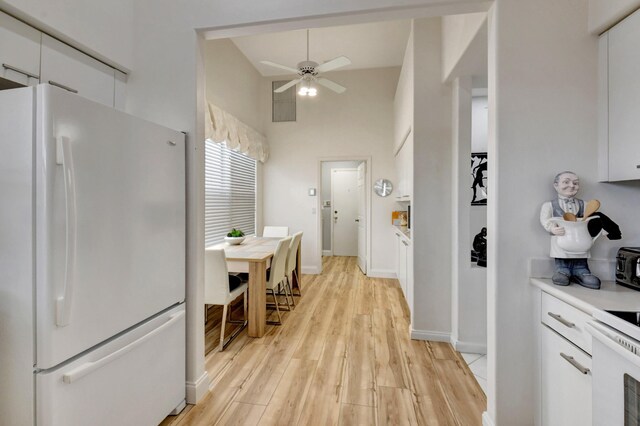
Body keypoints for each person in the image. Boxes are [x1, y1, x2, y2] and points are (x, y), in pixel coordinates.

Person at [539, 171, 601, 289]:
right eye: (566, 182)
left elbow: (594, 220)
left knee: (581, 255)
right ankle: (562, 270)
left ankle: (582, 271)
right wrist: (552, 228)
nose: (572, 185)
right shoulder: (549, 205)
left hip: (581, 242)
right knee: (562, 255)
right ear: (556, 185)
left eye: (575, 183)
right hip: (561, 242)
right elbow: (545, 219)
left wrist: (601, 229)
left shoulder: (586, 205)